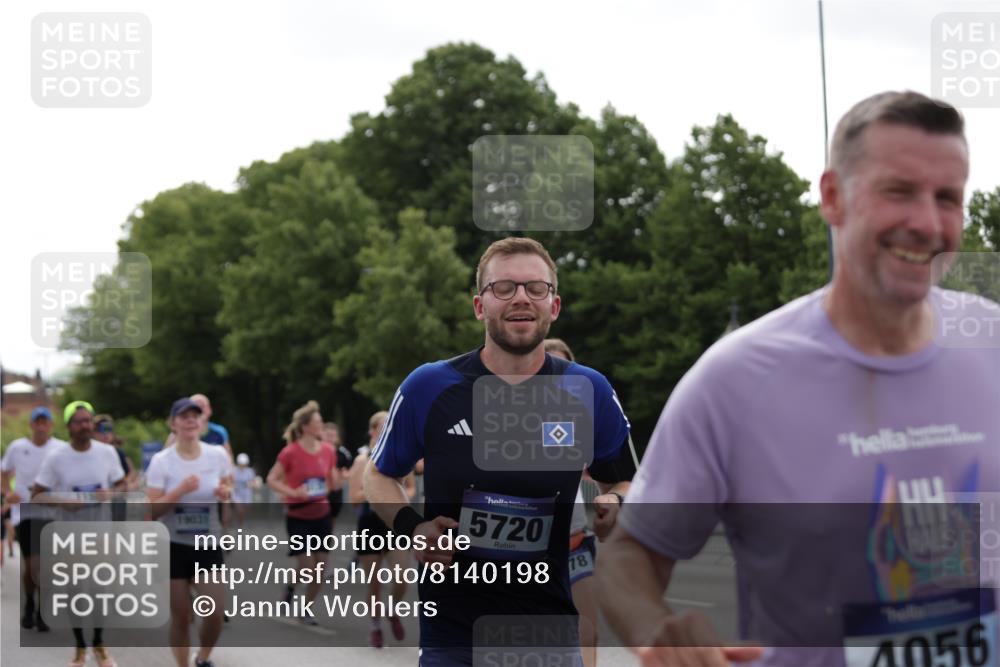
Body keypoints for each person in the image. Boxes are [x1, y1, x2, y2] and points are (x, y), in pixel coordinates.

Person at [598, 91, 995, 667]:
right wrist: (656, 633)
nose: (927, 223)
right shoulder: (735, 380)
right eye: (899, 191)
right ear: (833, 197)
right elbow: (627, 555)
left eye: (947, 198)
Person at [365, 237, 636, 665]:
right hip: (453, 638)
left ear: (555, 305)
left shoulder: (589, 390)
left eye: (536, 288)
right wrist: (412, 527)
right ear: (479, 306)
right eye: (503, 288)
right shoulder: (429, 386)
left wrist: (615, 502)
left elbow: (623, 478)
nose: (521, 298)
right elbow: (378, 474)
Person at [544, 338, 632, 667]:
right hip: (526, 554)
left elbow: (617, 477)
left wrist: (611, 498)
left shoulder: (584, 418)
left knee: (587, 631)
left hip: (575, 541)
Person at [32, 400, 126, 667]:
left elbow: (121, 483)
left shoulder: (106, 453)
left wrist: (112, 493)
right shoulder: (57, 457)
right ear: (69, 426)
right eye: (79, 422)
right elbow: (36, 494)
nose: (85, 426)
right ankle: (79, 647)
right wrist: (64, 501)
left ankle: (98, 643)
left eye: (88, 421)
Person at [146, 397, 232, 667]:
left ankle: (203, 657)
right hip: (173, 545)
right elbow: (153, 510)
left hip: (208, 543)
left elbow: (227, 485)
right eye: (184, 416)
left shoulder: (216, 455)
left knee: (215, 612)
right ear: (173, 424)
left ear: (202, 422)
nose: (191, 420)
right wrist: (179, 490)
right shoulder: (162, 461)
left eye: (195, 415)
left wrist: (224, 492)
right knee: (181, 616)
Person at [349, 411, 416, 648]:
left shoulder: (401, 455)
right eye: (384, 425)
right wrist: (378, 491)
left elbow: (410, 488)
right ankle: (375, 625)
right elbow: (354, 497)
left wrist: (396, 498)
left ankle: (393, 609)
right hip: (369, 523)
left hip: (394, 521)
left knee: (403, 576)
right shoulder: (362, 460)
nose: (390, 429)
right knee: (374, 582)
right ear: (373, 431)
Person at [266, 400, 337, 623]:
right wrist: (293, 492)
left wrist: (333, 483)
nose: (322, 425)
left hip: (322, 515)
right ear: (306, 427)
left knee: (321, 568)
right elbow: (271, 479)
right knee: (307, 567)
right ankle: (290, 588)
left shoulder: (328, 450)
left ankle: (306, 609)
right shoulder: (290, 452)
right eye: (318, 422)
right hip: (298, 516)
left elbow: (331, 481)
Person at [1, 405, 63, 632]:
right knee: (32, 564)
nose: (40, 426)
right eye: (37, 421)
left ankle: (42, 610)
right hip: (26, 513)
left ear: (51, 425)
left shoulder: (60, 448)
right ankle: (30, 602)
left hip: (53, 513)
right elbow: (4, 472)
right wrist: (8, 493)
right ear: (31, 424)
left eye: (44, 421)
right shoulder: (18, 447)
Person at [93, 415, 139, 491]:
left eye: (108, 429)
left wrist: (122, 486)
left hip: (116, 498)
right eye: (101, 430)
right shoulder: (89, 452)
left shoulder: (118, 452)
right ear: (94, 433)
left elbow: (131, 474)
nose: (106, 434)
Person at [323, 421, 353, 526]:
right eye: (327, 435)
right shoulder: (316, 451)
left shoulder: (343, 453)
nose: (330, 438)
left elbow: (350, 471)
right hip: (319, 489)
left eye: (333, 435)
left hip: (335, 492)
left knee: (332, 517)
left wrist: (345, 475)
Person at [231, 452, 259, 527]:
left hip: (247, 495)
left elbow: (254, 483)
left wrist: (251, 484)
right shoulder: (233, 471)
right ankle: (238, 525)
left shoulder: (250, 471)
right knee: (239, 510)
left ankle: (240, 525)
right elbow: (230, 482)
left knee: (243, 513)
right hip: (237, 495)